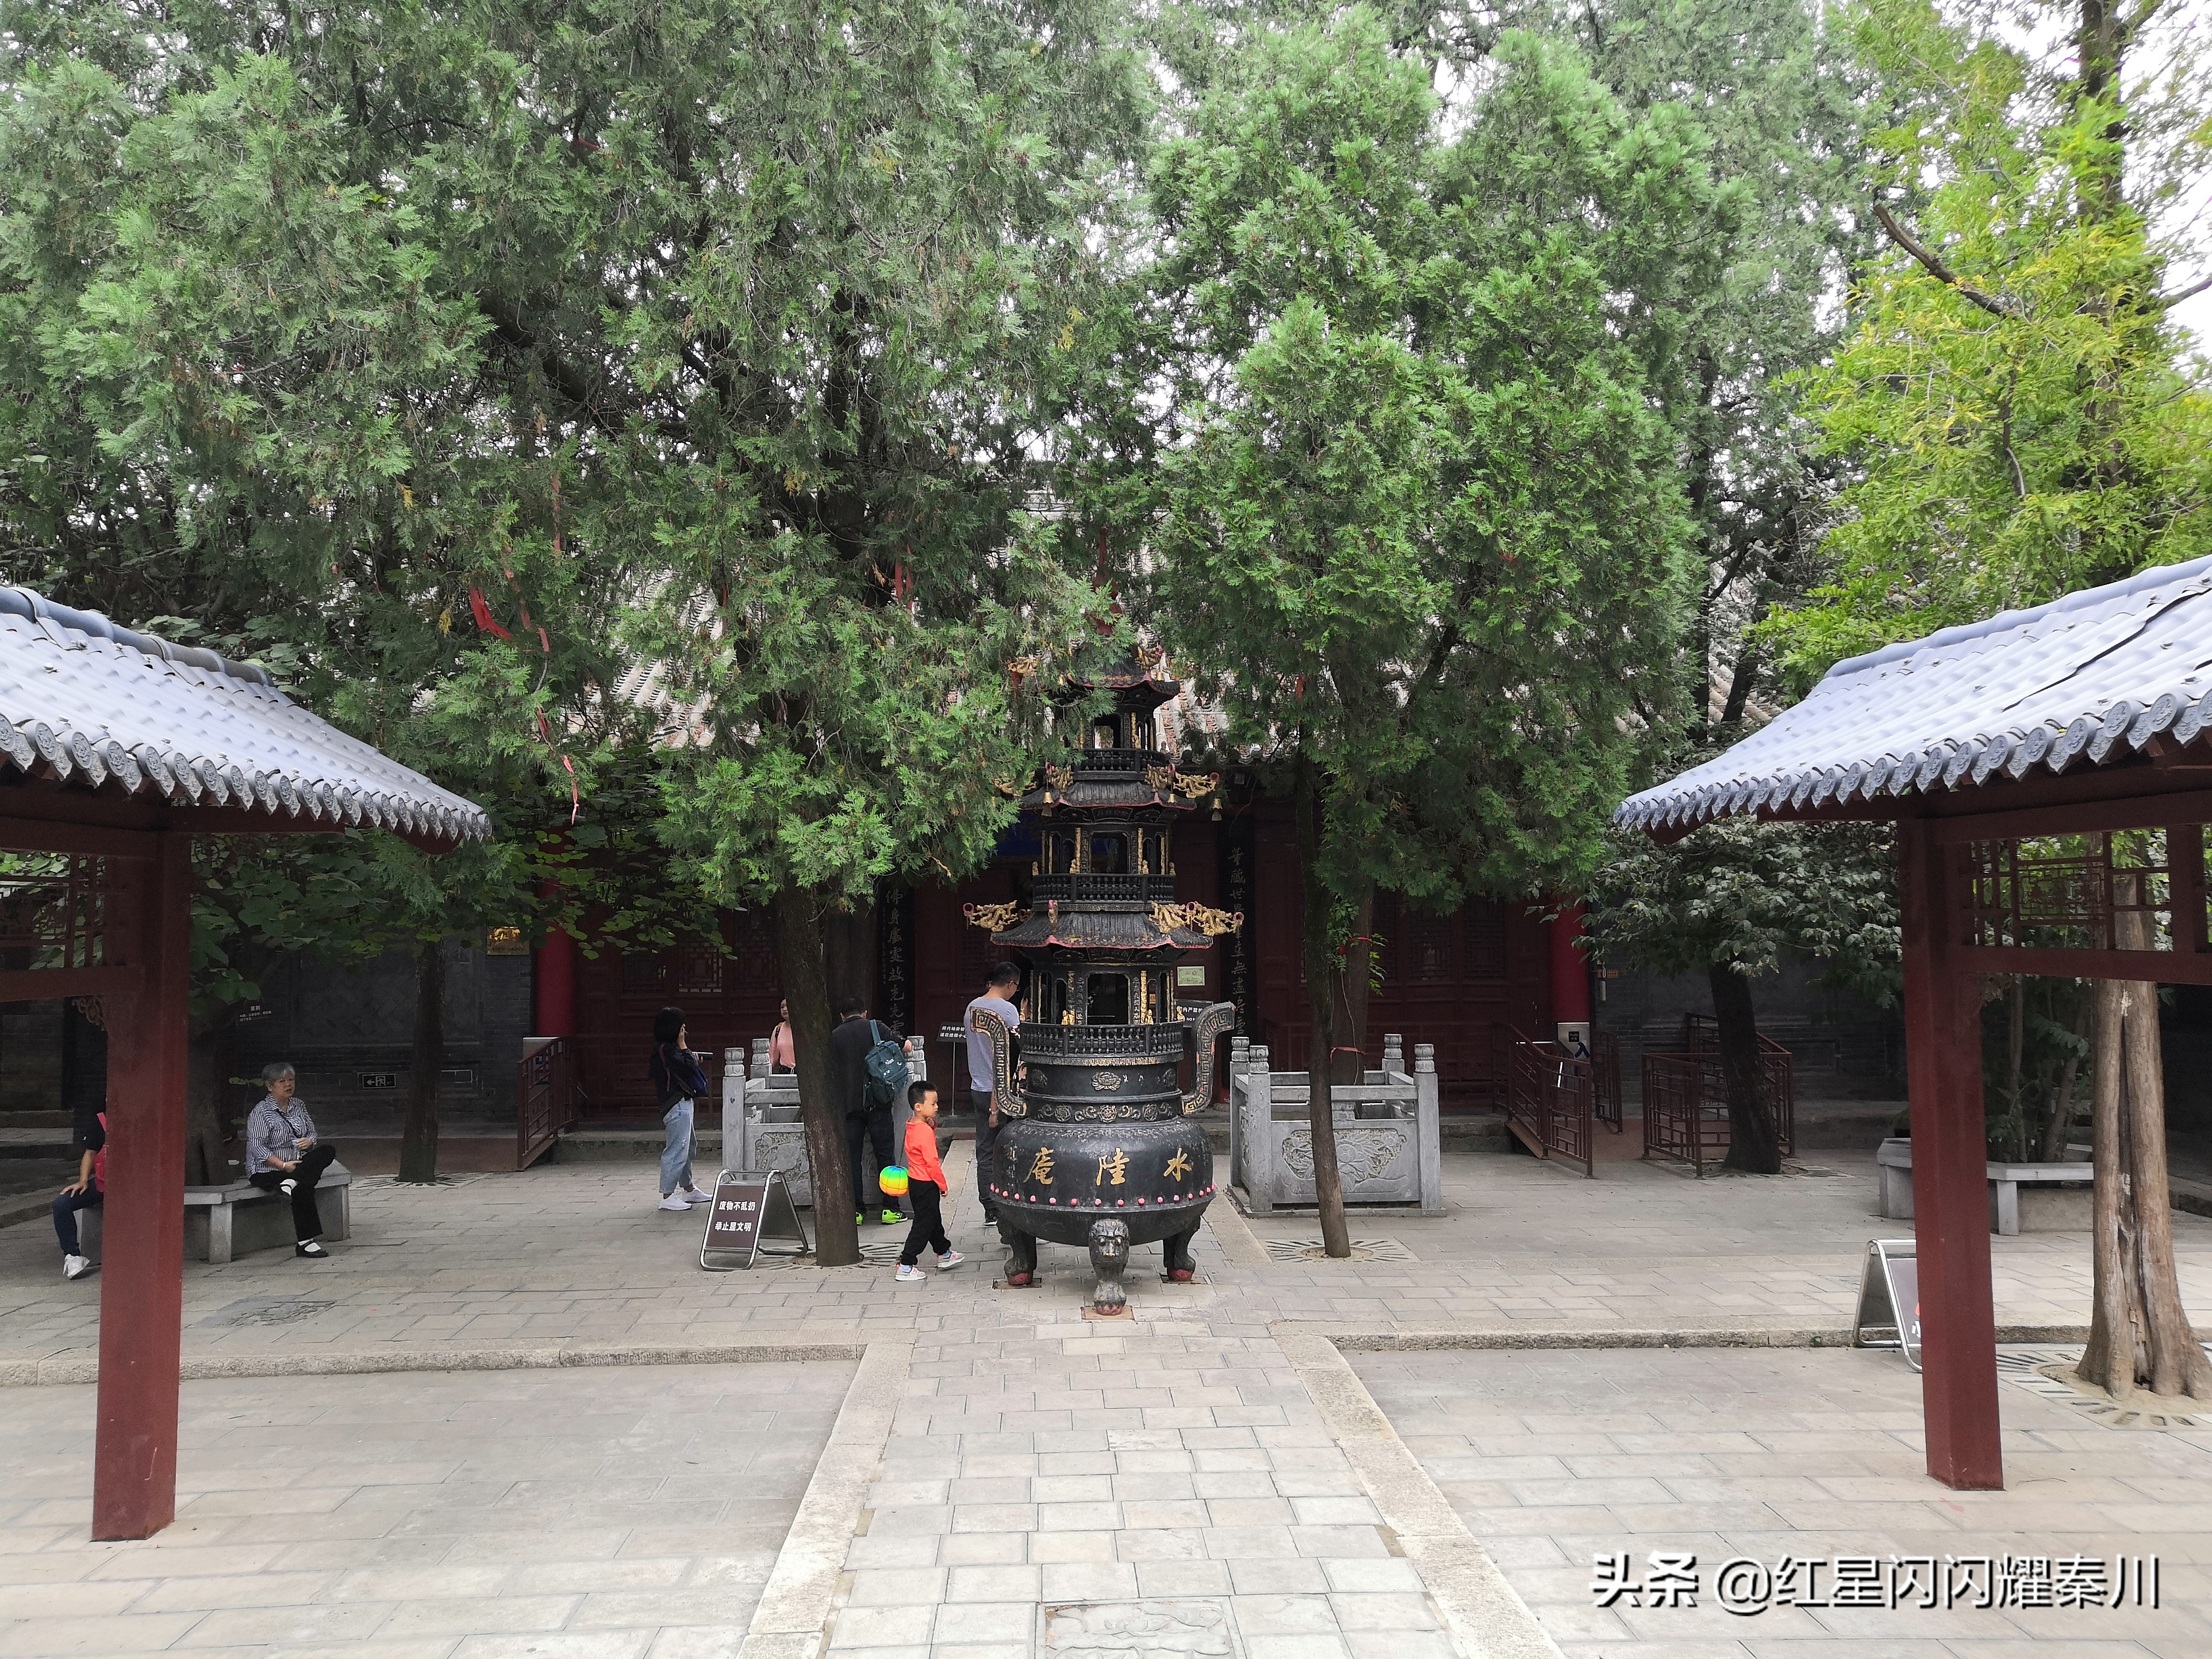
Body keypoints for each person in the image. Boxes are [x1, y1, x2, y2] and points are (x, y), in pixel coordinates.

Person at [245, 1063, 340, 1259]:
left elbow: (312, 1132)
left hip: (298, 1164)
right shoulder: (261, 1112)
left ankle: (292, 1181)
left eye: (291, 1080)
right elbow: (257, 1147)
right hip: (268, 1170)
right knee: (303, 1187)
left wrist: (310, 1142)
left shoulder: (299, 1105)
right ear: (270, 1087)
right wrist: (282, 1165)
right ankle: (306, 1243)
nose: (288, 1085)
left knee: (327, 1151)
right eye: (282, 1081)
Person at [828, 998, 905, 1225]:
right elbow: (905, 1046)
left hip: (850, 1106)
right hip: (878, 1103)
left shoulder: (834, 1036)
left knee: (852, 1160)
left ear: (842, 1016)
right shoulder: (875, 1027)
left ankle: (856, 1212)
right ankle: (891, 1210)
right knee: (886, 1157)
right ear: (864, 1013)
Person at [965, 962, 1022, 1227]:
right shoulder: (1008, 1010)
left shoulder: (971, 1008)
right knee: (1010, 1146)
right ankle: (1010, 1201)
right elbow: (1018, 1047)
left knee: (986, 1149)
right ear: (1010, 984)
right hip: (1003, 1090)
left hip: (979, 1086)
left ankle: (989, 1207)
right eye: (1016, 987)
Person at [894, 1081, 962, 1281]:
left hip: (916, 1181)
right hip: (926, 1182)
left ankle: (945, 1253)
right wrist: (943, 1184)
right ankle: (906, 1264)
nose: (937, 1107)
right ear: (919, 1107)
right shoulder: (924, 1131)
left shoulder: (913, 1125)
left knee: (932, 1219)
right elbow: (932, 1162)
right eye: (933, 1104)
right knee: (924, 1224)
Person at [649, 1008, 715, 1213]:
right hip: (676, 1106)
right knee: (678, 1148)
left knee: (688, 1146)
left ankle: (688, 1188)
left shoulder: (668, 1050)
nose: (684, 1032)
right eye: (682, 1028)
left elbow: (686, 1065)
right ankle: (667, 1196)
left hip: (683, 1104)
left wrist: (687, 1054)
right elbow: (686, 1066)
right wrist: (685, 1048)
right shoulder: (667, 1051)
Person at [54, 1108, 106, 1280]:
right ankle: (73, 1256)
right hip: (103, 1184)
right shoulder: (101, 1120)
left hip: (135, 1187)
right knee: (62, 1203)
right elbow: (90, 1152)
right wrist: (83, 1180)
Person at [769, 999, 796, 1074]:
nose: (785, 1009)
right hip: (785, 1072)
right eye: (782, 1007)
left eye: (787, 1006)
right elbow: (773, 1056)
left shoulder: (803, 1029)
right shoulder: (778, 1029)